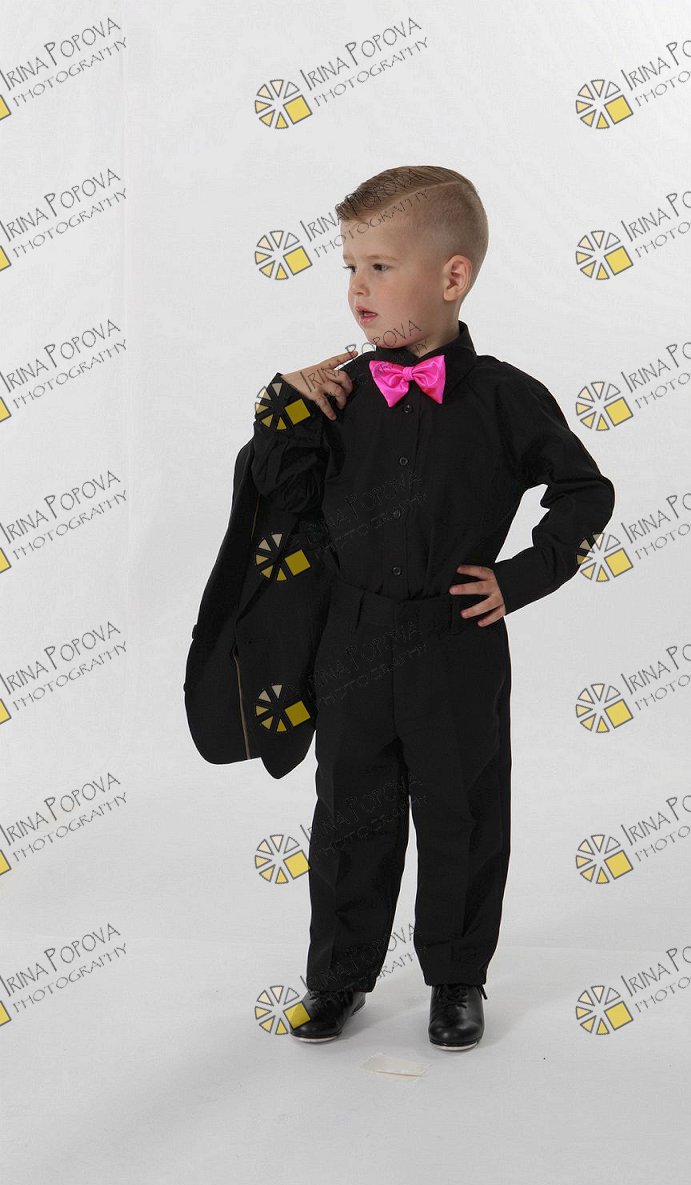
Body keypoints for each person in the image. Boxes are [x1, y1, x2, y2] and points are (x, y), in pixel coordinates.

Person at [249, 164, 615, 1050]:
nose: (357, 289)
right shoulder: (334, 397)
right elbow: (280, 505)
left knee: (462, 813)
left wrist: (521, 578)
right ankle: (339, 979)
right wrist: (282, 409)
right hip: (352, 638)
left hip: (456, 637)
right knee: (349, 815)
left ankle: (456, 978)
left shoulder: (506, 398)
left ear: (452, 276)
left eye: (380, 266)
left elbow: (585, 491)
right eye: (350, 267)